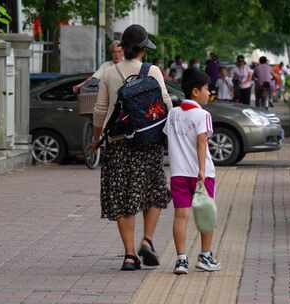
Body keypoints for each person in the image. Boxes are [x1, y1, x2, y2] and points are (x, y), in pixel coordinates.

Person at [93, 24, 172, 271]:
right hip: (149, 142)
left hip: (118, 144)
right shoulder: (153, 71)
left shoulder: (109, 72)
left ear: (123, 48)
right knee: (155, 193)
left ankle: (129, 255)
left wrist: (96, 139)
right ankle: (147, 240)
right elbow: (166, 104)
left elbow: (100, 110)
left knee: (124, 198)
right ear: (142, 50)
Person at [163, 68, 221, 275]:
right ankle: (205, 256)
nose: (209, 92)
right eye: (207, 89)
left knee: (181, 216)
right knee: (205, 216)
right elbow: (201, 141)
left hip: (178, 173)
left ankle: (181, 260)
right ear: (196, 91)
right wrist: (202, 170)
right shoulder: (203, 115)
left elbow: (168, 138)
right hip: (201, 175)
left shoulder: (173, 114)